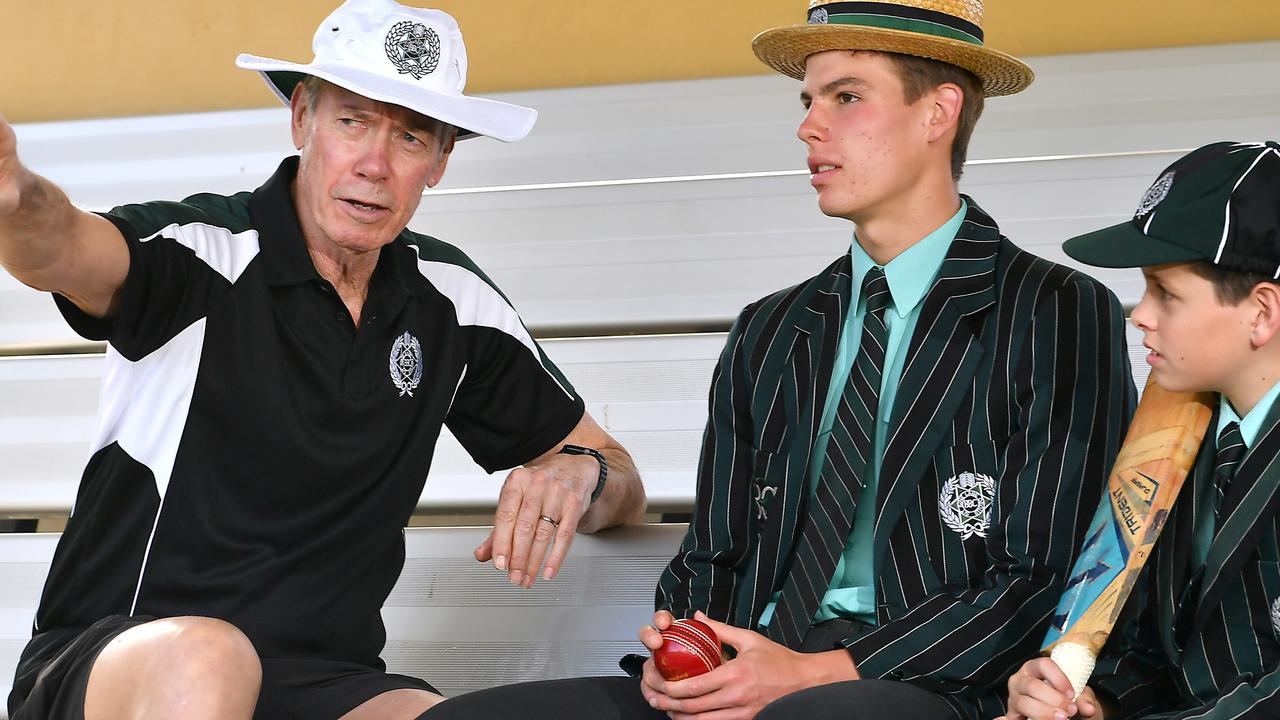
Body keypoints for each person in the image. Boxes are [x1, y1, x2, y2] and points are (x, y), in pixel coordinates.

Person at [424, 2, 1134, 719]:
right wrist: (686, 650)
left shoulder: (1058, 308)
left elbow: (1039, 577)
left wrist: (814, 673)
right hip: (750, 671)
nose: (808, 126)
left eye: (847, 97)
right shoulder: (771, 327)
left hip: (933, 685)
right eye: (807, 101)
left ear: (938, 113)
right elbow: (714, 553)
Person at [0, 0, 646, 718]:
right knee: (211, 657)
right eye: (353, 121)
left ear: (440, 160)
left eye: (410, 136)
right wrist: (14, 197)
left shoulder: (453, 302)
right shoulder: (200, 252)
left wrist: (580, 470)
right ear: (302, 116)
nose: (375, 164)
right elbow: (59, 246)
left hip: (323, 680)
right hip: (123, 663)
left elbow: (621, 478)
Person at [1001, 141, 1280, 720]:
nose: (1141, 314)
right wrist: (1093, 704)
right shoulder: (1174, 443)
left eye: (1166, 293)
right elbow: (1170, 655)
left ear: (1261, 313)